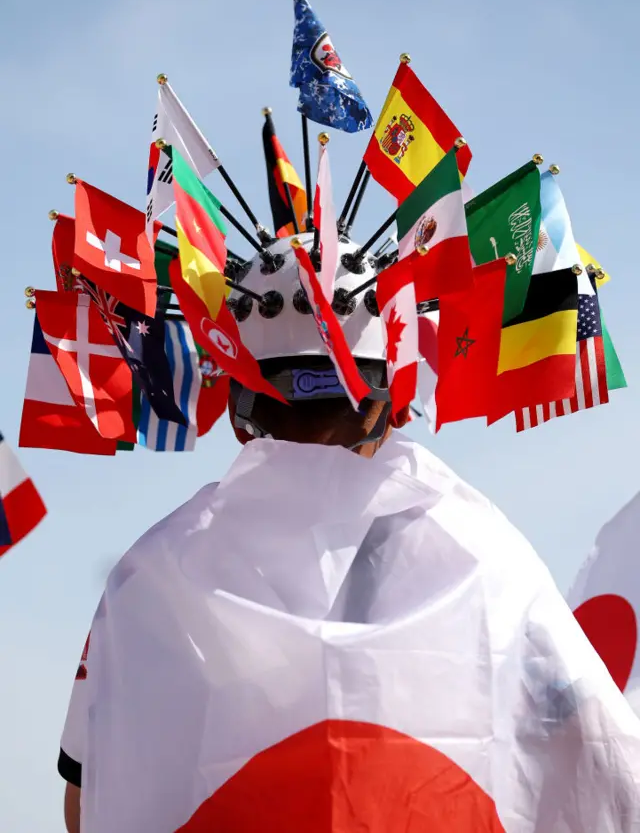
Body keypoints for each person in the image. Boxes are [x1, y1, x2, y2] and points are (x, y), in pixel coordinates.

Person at [58, 234, 640, 833]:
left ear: (237, 408)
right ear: (392, 404)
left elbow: (88, 803)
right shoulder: (485, 552)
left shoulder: (148, 576)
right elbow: (604, 767)